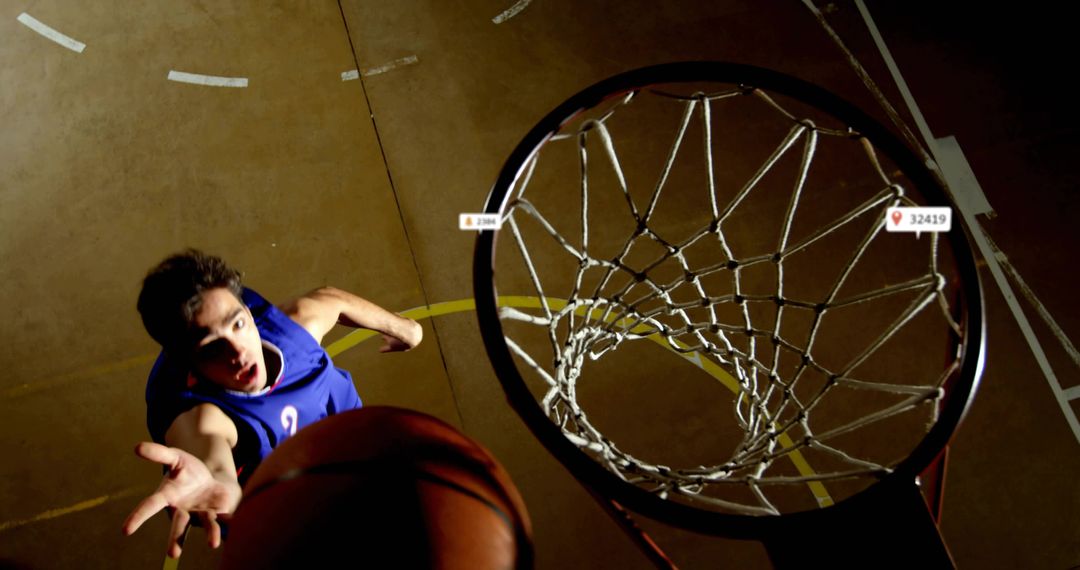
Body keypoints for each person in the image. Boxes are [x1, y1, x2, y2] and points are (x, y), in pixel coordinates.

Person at [120, 250, 423, 558]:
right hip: (292, 507)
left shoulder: (295, 330)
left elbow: (332, 299)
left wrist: (405, 328)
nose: (237, 351)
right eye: (212, 348)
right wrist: (218, 481)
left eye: (237, 324)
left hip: (346, 436)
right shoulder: (203, 417)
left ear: (250, 314)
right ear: (190, 365)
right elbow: (209, 454)